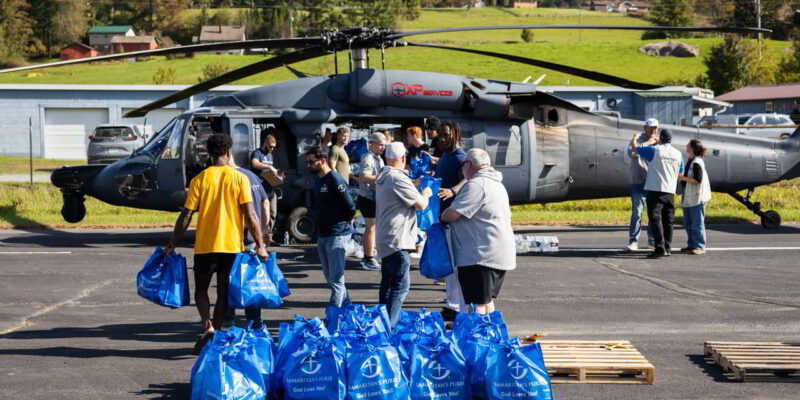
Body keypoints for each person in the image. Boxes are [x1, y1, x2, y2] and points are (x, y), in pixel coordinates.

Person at [164, 134, 267, 353]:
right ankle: (216, 333)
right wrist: (260, 244)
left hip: (205, 246)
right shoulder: (240, 179)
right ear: (228, 152)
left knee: (201, 291)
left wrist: (172, 243)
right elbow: (250, 215)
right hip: (231, 247)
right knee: (223, 294)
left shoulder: (199, 179)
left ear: (209, 154)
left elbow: (186, 216)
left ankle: (207, 325)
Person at [441, 148, 515, 315]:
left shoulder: (476, 185)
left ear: (469, 164)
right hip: (495, 252)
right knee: (485, 301)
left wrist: (442, 216)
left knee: (477, 304)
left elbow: (452, 214)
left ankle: (475, 337)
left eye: (463, 165)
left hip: (480, 256)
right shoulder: (496, 183)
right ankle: (488, 334)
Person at [376, 142, 433, 329]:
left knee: (388, 285)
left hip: (385, 238)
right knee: (400, 287)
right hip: (398, 239)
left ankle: (382, 324)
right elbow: (421, 204)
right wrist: (426, 192)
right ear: (403, 159)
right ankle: (389, 328)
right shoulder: (397, 178)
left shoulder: (383, 176)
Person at [223, 155, 271, 330]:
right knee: (252, 284)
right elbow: (265, 201)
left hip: (236, 240)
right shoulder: (252, 175)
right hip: (253, 240)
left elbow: (245, 214)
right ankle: (255, 325)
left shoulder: (230, 178)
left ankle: (228, 325)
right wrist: (264, 228)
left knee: (229, 283)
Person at [306, 146, 357, 306]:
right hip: (323, 235)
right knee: (331, 279)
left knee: (336, 280)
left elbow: (350, 205)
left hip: (337, 234)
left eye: (311, 162)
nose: (308, 165)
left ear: (322, 161)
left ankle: (333, 318)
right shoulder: (319, 180)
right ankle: (347, 308)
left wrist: (347, 220)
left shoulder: (335, 179)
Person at [433, 120, 468, 320]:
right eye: (440, 135)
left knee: (453, 265)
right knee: (448, 265)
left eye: (446, 134)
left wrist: (453, 189)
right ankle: (451, 302)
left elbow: (470, 177)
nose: (443, 138)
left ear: (455, 133)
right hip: (442, 217)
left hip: (453, 218)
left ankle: (455, 307)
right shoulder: (445, 156)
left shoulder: (460, 157)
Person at [631, 128, 684, 259]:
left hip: (656, 189)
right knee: (668, 221)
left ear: (660, 138)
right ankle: (668, 247)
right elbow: (680, 174)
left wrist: (634, 137)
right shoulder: (678, 154)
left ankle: (659, 247)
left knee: (655, 219)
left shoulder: (655, 150)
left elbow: (635, 148)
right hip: (671, 191)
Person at [355, 132, 386, 271]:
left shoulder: (378, 158)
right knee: (371, 228)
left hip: (374, 197)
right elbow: (363, 177)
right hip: (368, 198)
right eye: (380, 144)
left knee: (373, 228)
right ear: (371, 144)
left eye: (384, 144)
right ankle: (368, 258)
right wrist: (382, 177)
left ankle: (370, 254)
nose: (382, 147)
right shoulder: (368, 158)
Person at [625, 118, 657, 251]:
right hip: (638, 181)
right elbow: (632, 152)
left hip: (653, 181)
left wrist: (650, 143)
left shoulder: (658, 142)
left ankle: (652, 240)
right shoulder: (636, 140)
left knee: (653, 213)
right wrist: (645, 143)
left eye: (655, 127)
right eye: (651, 127)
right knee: (637, 213)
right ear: (644, 128)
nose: (653, 130)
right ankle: (633, 241)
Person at [679, 139, 711, 255]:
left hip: (697, 197)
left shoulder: (697, 162)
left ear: (692, 148)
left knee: (697, 224)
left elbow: (698, 180)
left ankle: (700, 246)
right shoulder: (690, 160)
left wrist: (682, 178)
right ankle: (691, 244)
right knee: (688, 223)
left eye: (688, 145)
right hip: (689, 196)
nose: (686, 146)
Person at [250, 132, 281, 242]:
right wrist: (269, 166)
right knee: (262, 213)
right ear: (265, 143)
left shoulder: (270, 155)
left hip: (270, 187)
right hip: (260, 188)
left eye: (274, 147)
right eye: (270, 146)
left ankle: (268, 235)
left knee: (273, 212)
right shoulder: (257, 153)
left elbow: (270, 169)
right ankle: (260, 236)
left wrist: (276, 175)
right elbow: (254, 164)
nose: (272, 149)